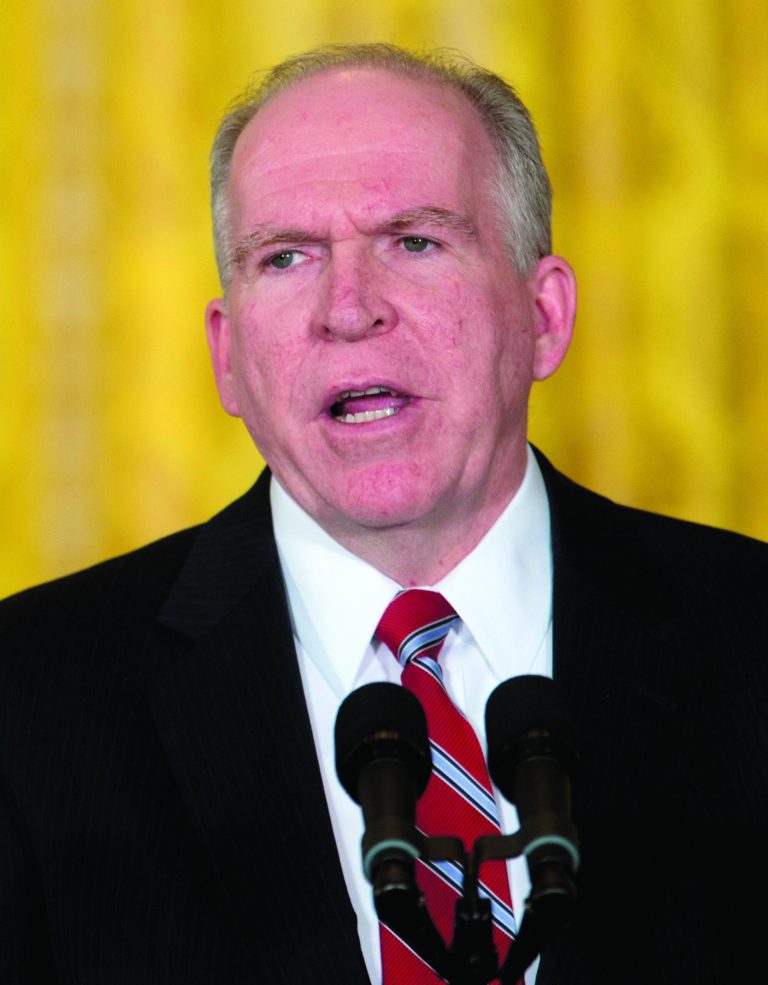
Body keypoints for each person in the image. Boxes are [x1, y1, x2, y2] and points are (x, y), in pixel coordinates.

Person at [1, 42, 766, 985]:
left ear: (544, 314)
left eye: (414, 240)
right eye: (286, 257)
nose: (349, 308)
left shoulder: (750, 635)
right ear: (229, 355)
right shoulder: (27, 697)